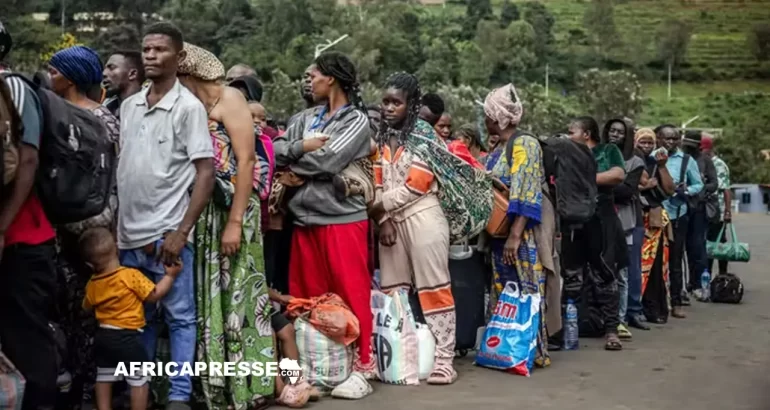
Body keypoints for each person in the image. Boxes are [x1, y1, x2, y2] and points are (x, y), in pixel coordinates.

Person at [176, 42, 283, 410]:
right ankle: (206, 386)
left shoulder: (230, 99)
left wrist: (235, 223)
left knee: (236, 297)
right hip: (198, 212)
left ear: (188, 74)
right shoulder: (186, 103)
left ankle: (243, 386)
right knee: (201, 297)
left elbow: (247, 160)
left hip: (231, 208)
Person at [117, 22, 215, 410]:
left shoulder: (188, 108)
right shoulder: (129, 106)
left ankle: (178, 395)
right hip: (128, 236)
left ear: (179, 56)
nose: (151, 55)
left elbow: (205, 172)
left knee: (180, 317)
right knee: (136, 318)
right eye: (146, 49)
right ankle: (140, 393)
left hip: (167, 235)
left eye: (160, 49)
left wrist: (181, 231)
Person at [272, 51, 375, 400]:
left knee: (351, 294)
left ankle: (363, 367)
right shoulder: (303, 118)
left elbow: (329, 160)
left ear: (330, 78)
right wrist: (302, 147)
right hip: (304, 220)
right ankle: (309, 374)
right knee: (304, 301)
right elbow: (275, 149)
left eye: (312, 74)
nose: (308, 80)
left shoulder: (356, 120)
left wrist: (294, 168)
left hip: (342, 219)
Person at [368, 72, 458, 384]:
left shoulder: (424, 137)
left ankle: (444, 360)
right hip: (390, 221)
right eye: (385, 101)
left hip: (424, 217)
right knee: (393, 291)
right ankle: (400, 357)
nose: (388, 108)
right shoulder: (382, 137)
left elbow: (416, 185)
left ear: (412, 105)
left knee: (434, 289)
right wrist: (383, 220)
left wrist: (376, 207)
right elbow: (376, 179)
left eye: (396, 102)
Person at [47, 44, 122, 406]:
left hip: (93, 227)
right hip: (69, 224)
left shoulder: (97, 119)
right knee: (65, 305)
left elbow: (116, 173)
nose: (50, 77)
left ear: (72, 77)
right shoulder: (63, 113)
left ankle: (92, 385)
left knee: (92, 307)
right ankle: (74, 381)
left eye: (55, 71)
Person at [0, 22, 59, 410]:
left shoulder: (15, 89)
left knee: (26, 339)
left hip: (22, 239)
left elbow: (28, 160)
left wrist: (2, 227)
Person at [484, 83, 552, 366]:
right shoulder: (501, 146)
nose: (485, 120)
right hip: (500, 233)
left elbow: (526, 191)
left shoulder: (524, 144)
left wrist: (514, 235)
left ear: (497, 117)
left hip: (521, 234)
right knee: (505, 289)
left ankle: (531, 351)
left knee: (527, 289)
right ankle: (502, 349)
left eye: (487, 115)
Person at [79, 227, 181, 410]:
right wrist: (170, 276)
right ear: (117, 248)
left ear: (90, 265)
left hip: (103, 336)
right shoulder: (129, 276)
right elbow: (154, 295)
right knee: (139, 378)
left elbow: (86, 306)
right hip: (128, 338)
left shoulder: (92, 284)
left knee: (104, 376)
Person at [565, 116, 625, 351]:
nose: (568, 136)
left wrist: (585, 180)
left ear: (586, 134)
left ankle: (612, 330)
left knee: (605, 273)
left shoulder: (607, 150)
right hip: (574, 221)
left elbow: (618, 175)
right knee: (572, 274)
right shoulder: (569, 154)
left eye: (572, 132)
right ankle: (573, 326)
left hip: (602, 220)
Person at [603, 118, 648, 336]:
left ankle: (620, 318)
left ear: (627, 136)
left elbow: (627, 191)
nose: (615, 135)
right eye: (612, 130)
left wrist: (600, 183)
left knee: (622, 272)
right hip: (599, 219)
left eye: (620, 132)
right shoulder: (597, 154)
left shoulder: (635, 162)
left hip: (624, 221)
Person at [656, 124, 703, 319]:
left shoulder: (686, 160)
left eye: (674, 138)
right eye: (667, 138)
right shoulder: (651, 157)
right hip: (654, 214)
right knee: (654, 260)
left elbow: (698, 184)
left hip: (677, 215)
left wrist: (686, 191)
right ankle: (656, 303)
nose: (671, 142)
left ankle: (676, 302)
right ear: (658, 138)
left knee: (675, 260)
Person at [634, 128, 675, 324]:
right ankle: (636, 308)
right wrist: (645, 186)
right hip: (636, 218)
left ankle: (654, 309)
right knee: (636, 266)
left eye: (650, 142)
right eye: (642, 142)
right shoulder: (631, 161)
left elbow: (669, 190)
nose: (646, 146)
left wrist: (662, 167)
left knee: (657, 266)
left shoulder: (655, 163)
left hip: (654, 221)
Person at [682, 130, 718, 300]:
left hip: (698, 209)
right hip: (681, 208)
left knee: (697, 247)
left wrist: (700, 187)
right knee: (680, 249)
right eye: (686, 145)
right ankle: (687, 284)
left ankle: (699, 284)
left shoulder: (705, 161)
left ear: (699, 146)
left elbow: (714, 184)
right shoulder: (681, 159)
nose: (688, 148)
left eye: (691, 145)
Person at [701, 134, 732, 276]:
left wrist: (727, 211)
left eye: (701, 149)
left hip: (716, 210)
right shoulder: (702, 162)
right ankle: (706, 275)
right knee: (706, 244)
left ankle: (722, 275)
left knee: (718, 243)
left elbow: (726, 189)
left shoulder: (719, 165)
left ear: (708, 149)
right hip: (703, 210)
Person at [102, 50, 145, 118]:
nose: (104, 73)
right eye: (105, 69)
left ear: (132, 74)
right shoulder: (106, 107)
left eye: (111, 68)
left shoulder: (149, 107)